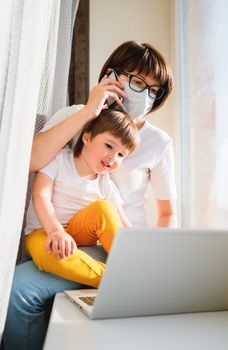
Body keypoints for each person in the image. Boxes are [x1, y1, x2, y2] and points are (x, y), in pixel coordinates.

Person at [2, 41, 176, 350]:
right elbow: (26, 163)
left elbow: (166, 214)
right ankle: (128, 284)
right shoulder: (76, 116)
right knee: (18, 291)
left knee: (106, 212)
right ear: (112, 75)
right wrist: (88, 111)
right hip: (65, 237)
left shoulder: (159, 143)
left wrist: (155, 260)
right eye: (138, 82)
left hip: (119, 247)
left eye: (154, 90)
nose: (145, 94)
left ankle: (133, 279)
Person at [25, 109, 138, 287]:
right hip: (44, 231)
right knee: (46, 255)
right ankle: (116, 281)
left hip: (80, 233)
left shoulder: (105, 182)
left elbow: (122, 222)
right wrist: (56, 231)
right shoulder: (59, 159)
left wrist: (141, 248)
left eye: (121, 155)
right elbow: (40, 195)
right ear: (87, 138)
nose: (112, 157)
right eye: (109, 146)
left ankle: (133, 266)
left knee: (104, 208)